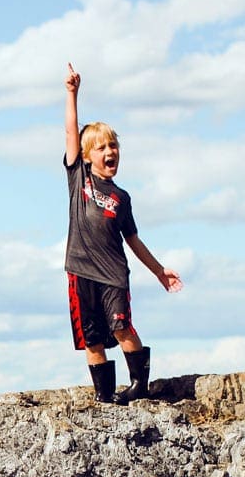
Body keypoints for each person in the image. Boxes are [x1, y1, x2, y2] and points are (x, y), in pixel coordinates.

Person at [63, 62, 182, 404]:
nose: (109, 152)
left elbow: (133, 240)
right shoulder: (79, 178)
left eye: (113, 146)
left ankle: (138, 385)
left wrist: (159, 271)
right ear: (87, 156)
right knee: (92, 338)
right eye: (101, 148)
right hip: (80, 271)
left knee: (121, 326)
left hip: (113, 274)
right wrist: (71, 93)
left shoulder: (121, 197)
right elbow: (72, 132)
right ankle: (103, 395)